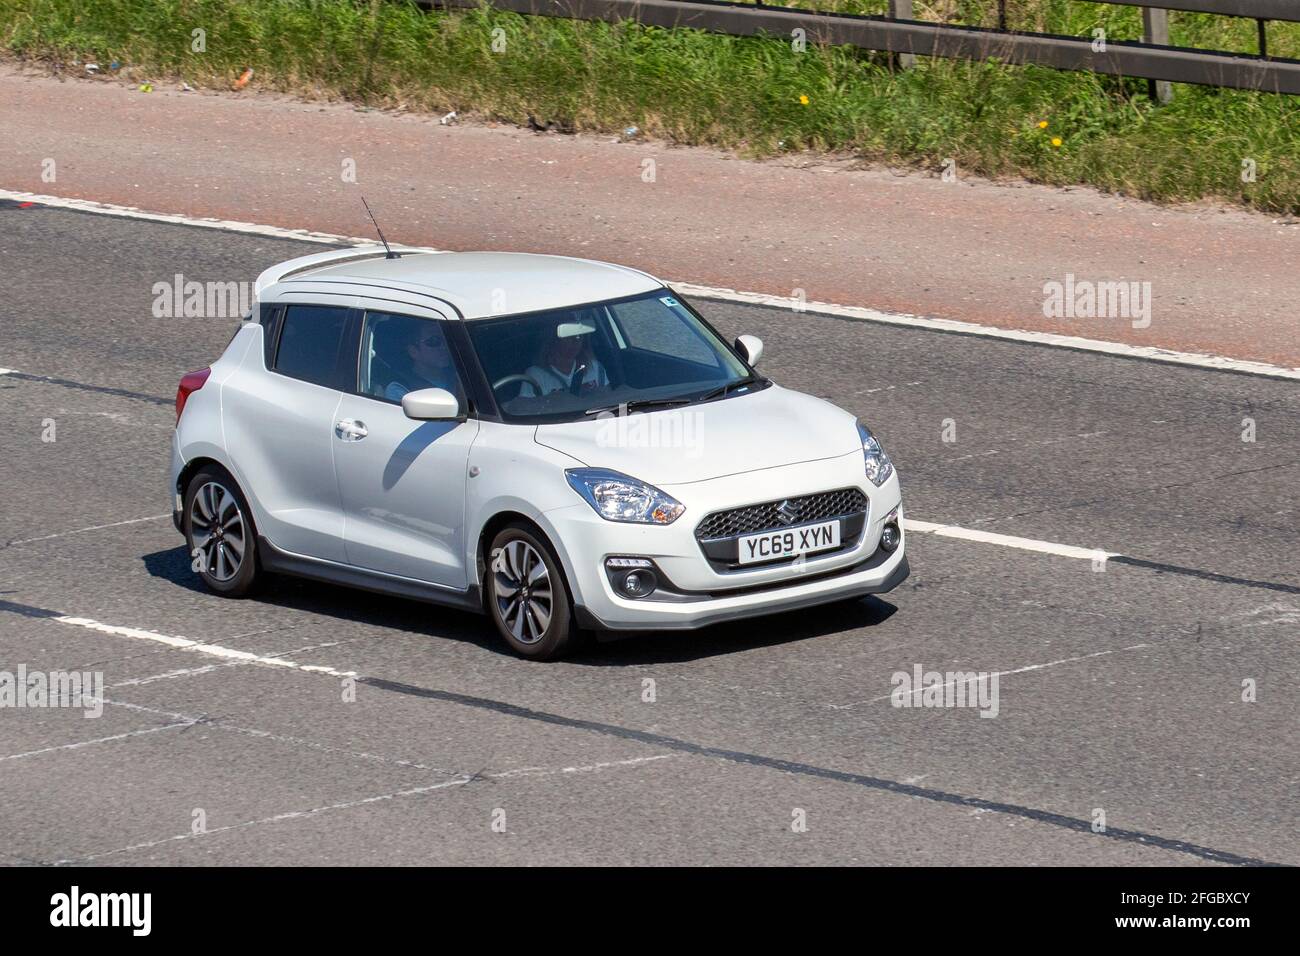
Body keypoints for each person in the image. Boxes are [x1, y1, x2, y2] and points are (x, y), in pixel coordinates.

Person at [520, 317, 609, 398]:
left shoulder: (594, 367)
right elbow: (529, 409)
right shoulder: (536, 375)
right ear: (553, 340)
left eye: (579, 337)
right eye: (568, 337)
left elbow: (607, 398)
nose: (575, 342)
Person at [382, 320, 461, 402]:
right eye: (434, 341)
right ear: (413, 351)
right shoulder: (400, 387)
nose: (444, 346)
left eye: (446, 340)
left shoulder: (461, 376)